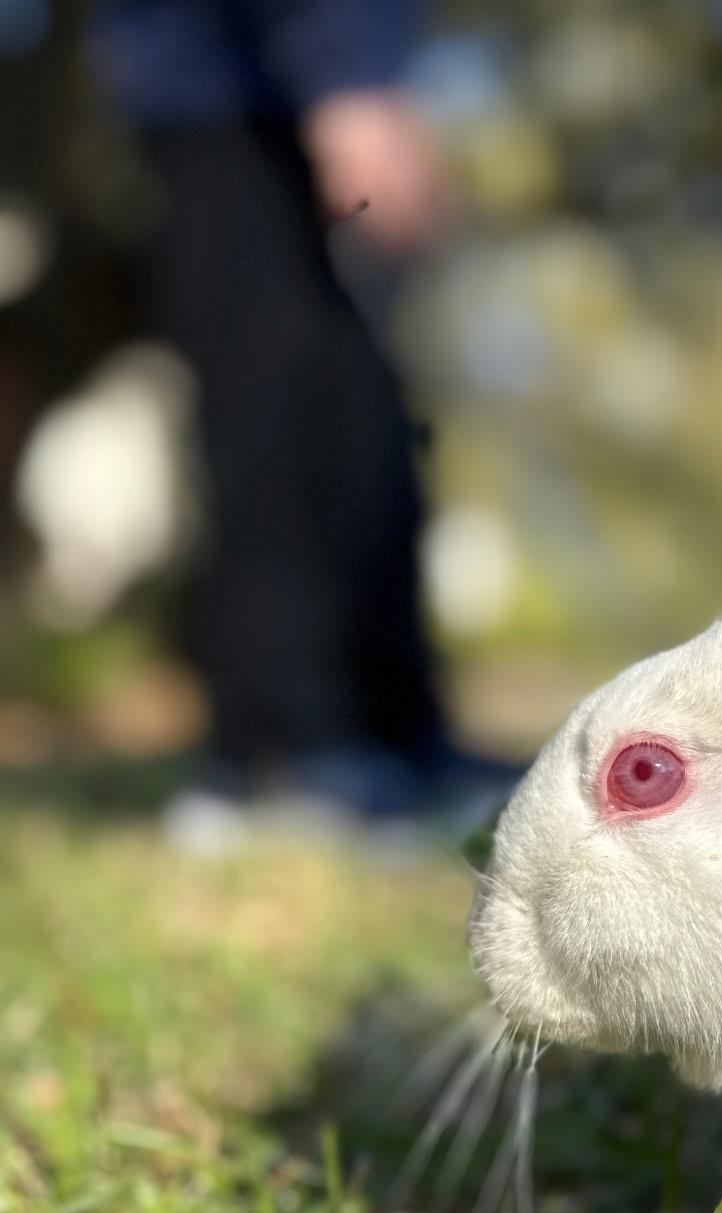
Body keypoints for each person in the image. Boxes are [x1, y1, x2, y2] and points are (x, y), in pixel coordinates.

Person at [90, 0, 507, 838]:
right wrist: (344, 76)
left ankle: (393, 734)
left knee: (363, 417)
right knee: (273, 422)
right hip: (234, 92)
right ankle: (277, 756)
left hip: (294, 80)